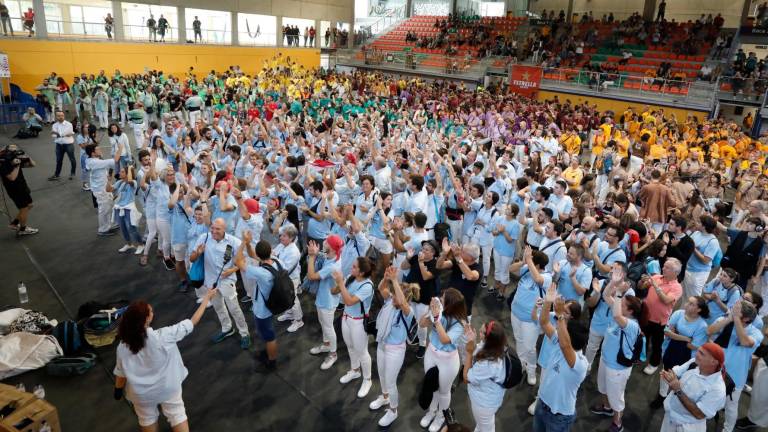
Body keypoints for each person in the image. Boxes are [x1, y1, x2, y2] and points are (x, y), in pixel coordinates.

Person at [113, 288, 217, 432]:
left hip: (141, 395)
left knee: (146, 419)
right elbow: (193, 322)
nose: (152, 313)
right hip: (168, 388)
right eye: (151, 312)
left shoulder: (122, 347)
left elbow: (121, 373)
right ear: (147, 319)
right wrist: (207, 299)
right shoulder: (164, 336)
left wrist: (118, 391)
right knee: (177, 415)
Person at [533, 285, 590, 432]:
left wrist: (559, 315)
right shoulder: (559, 342)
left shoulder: (580, 364)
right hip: (542, 403)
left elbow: (566, 346)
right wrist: (547, 302)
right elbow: (544, 322)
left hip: (559, 416)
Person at [189, 218, 251, 350]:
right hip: (210, 282)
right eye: (212, 228)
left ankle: (244, 333)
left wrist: (232, 270)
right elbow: (192, 259)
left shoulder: (234, 242)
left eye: (217, 229)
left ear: (225, 229)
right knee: (218, 307)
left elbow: (243, 260)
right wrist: (198, 253)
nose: (214, 231)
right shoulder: (203, 238)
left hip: (227, 282)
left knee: (234, 309)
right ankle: (227, 328)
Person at [369, 267, 419, 427]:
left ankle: (393, 410)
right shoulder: (391, 302)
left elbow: (402, 302)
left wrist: (395, 280)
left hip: (395, 351)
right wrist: (386, 278)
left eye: (396, 295)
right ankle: (385, 397)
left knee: (391, 382)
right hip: (383, 344)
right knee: (382, 375)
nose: (392, 298)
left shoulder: (408, 311)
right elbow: (381, 288)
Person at [590, 284, 643, 432]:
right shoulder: (620, 314)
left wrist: (619, 292)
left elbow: (617, 315)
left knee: (616, 397)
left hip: (618, 367)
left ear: (630, 311)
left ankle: (617, 423)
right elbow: (606, 296)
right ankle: (606, 408)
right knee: (603, 387)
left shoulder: (631, 325)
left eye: (623, 305)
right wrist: (614, 283)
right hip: (605, 360)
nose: (618, 305)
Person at [707, 301, 764, 432]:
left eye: (736, 311)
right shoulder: (726, 320)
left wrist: (736, 319)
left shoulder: (756, 333)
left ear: (746, 319)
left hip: (735, 377)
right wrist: (729, 319)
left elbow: (744, 341)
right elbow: (709, 331)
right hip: (713, 370)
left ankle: (727, 429)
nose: (731, 311)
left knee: (730, 407)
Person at [419, 288, 466, 432]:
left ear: (450, 304)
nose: (440, 299)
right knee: (431, 385)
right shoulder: (438, 311)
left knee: (444, 391)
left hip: (448, 361)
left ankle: (441, 416)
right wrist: (429, 312)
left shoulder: (460, 323)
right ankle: (431, 412)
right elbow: (421, 324)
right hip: (431, 354)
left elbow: (445, 339)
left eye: (443, 299)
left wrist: (437, 318)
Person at [649, 296, 710, 409]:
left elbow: (692, 346)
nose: (687, 304)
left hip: (686, 356)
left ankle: (674, 397)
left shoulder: (702, 325)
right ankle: (662, 395)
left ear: (699, 310)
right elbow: (667, 332)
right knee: (666, 372)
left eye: (691, 304)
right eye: (688, 302)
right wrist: (686, 338)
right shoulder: (679, 313)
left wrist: (675, 333)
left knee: (680, 378)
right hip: (671, 349)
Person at [658, 343, 727, 431]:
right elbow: (676, 372)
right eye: (698, 351)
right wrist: (669, 376)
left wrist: (677, 389)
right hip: (670, 416)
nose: (696, 354)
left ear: (714, 362)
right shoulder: (694, 363)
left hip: (687, 426)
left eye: (702, 353)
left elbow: (699, 414)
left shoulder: (717, 389)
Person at [332, 257, 374, 398]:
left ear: (361, 272)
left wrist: (340, 283)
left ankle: (367, 379)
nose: (352, 267)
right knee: (350, 346)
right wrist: (338, 283)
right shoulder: (351, 278)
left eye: (355, 266)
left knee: (362, 352)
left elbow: (349, 301)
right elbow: (335, 292)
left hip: (358, 322)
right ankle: (355, 370)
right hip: (346, 318)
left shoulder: (367, 286)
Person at [235, 237, 279, 370]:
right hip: (272, 303)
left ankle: (272, 362)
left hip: (263, 309)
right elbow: (254, 256)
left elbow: (238, 261)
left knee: (269, 336)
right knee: (267, 332)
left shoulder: (260, 272)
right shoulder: (276, 262)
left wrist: (243, 243)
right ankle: (269, 353)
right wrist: (248, 244)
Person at [510, 247, 552, 385]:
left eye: (531, 261)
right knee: (519, 340)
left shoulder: (547, 277)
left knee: (530, 347)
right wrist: (523, 262)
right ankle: (522, 364)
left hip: (531, 319)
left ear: (537, 265)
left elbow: (538, 279)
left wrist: (529, 260)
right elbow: (511, 269)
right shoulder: (527, 269)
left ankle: (532, 371)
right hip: (516, 313)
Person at [638, 258, 684, 376]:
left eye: (667, 267)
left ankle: (653, 363)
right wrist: (642, 282)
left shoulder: (677, 287)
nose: (663, 268)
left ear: (675, 272)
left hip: (659, 321)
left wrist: (655, 286)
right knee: (642, 338)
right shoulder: (657, 277)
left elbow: (666, 300)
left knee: (657, 345)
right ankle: (639, 356)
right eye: (664, 266)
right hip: (645, 315)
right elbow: (641, 287)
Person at [306, 235, 343, 370]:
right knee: (323, 323)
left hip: (328, 301)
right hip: (323, 297)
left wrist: (311, 256)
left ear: (332, 248)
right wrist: (317, 253)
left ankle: (333, 354)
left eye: (327, 242)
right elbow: (325, 256)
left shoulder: (333, 266)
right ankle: (327, 345)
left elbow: (311, 276)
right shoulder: (332, 256)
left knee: (328, 327)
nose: (324, 242)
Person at [463, 320, 507, 432]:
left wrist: (468, 352)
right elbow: (478, 350)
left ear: (489, 339)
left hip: (484, 403)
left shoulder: (488, 364)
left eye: (482, 332)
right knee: (484, 425)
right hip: (491, 397)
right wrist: (472, 341)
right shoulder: (497, 347)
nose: (478, 331)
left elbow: (466, 378)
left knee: (486, 428)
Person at [0, 144, 38, 236]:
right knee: (24, 208)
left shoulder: (15, 159)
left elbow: (33, 165)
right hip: (15, 189)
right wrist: (16, 166)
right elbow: (12, 177)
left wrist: (28, 158)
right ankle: (22, 229)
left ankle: (15, 223)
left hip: (22, 186)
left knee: (29, 205)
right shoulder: (3, 163)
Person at [85, 143, 121, 236]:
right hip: (100, 190)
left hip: (104, 187)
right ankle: (103, 229)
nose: (100, 150)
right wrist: (121, 148)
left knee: (109, 206)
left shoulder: (92, 160)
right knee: (104, 209)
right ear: (93, 153)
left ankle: (109, 224)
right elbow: (115, 160)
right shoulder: (94, 162)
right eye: (97, 149)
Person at [272, 224, 303, 333]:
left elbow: (285, 269)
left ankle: (299, 320)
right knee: (286, 298)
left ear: (291, 238)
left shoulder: (294, 252)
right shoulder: (282, 245)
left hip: (291, 279)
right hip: (283, 278)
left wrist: (273, 260)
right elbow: (273, 253)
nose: (281, 238)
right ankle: (290, 314)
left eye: (284, 236)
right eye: (281, 235)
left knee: (292, 299)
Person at [49, 110, 76, 181]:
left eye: (62, 115)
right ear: (56, 117)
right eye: (58, 116)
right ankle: (57, 175)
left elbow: (66, 133)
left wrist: (57, 134)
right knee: (59, 160)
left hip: (68, 144)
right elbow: (54, 136)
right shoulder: (54, 125)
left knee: (72, 159)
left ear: (64, 116)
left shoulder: (69, 124)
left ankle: (72, 173)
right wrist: (59, 134)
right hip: (59, 145)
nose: (60, 117)